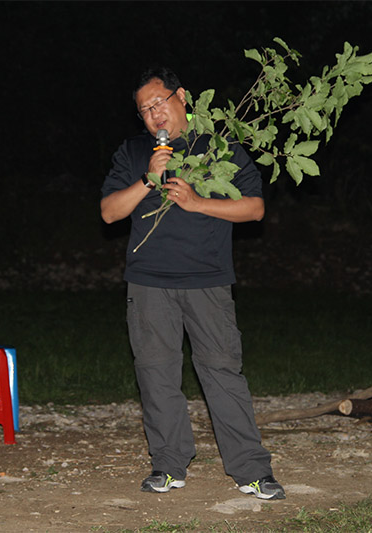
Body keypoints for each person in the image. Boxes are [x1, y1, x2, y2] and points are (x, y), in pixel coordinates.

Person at [100, 67, 285, 500]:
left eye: (159, 102)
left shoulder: (219, 148)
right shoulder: (133, 152)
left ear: (183, 97)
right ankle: (168, 464)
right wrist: (148, 179)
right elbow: (109, 212)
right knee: (156, 376)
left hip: (207, 281)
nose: (154, 115)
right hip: (148, 283)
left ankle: (251, 470)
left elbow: (255, 209)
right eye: (144, 110)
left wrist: (197, 202)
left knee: (222, 374)